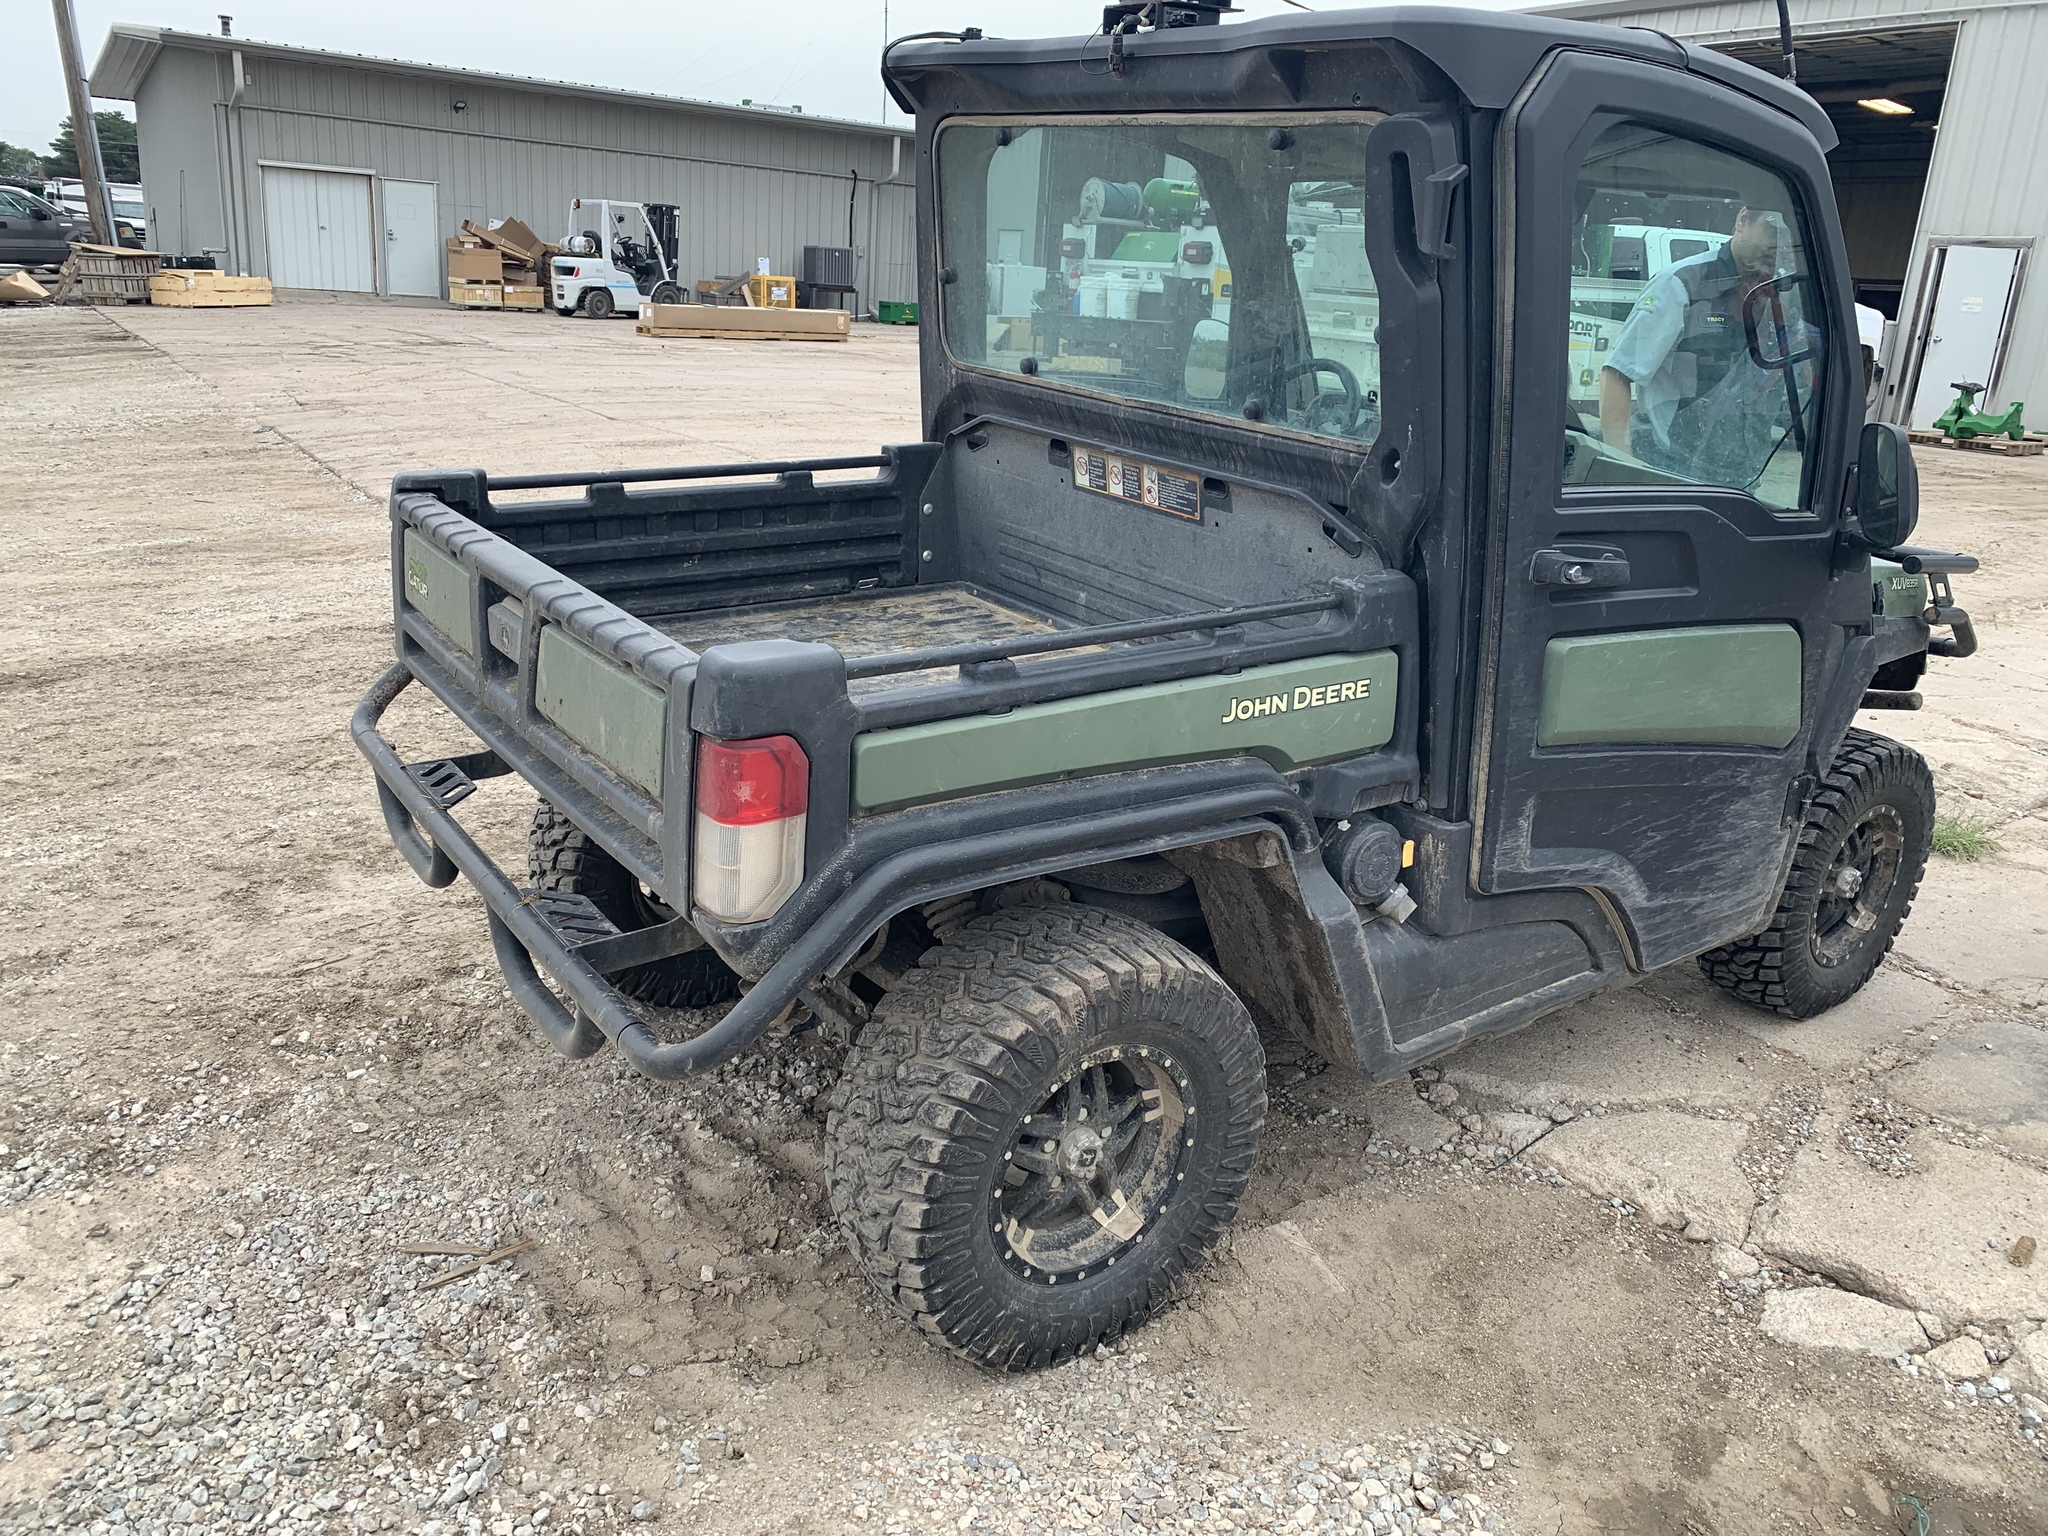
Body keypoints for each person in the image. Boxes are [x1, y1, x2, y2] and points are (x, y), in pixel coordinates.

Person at [1597, 206, 1795, 482]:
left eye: (1788, 235)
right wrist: (1624, 471)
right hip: (1669, 470)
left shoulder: (1785, 295)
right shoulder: (1681, 284)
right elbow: (1616, 375)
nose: (1779, 243)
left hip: (1742, 480)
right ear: (1742, 219)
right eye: (1772, 229)